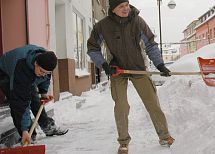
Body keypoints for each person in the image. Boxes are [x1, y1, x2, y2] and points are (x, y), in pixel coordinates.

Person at [87, 0, 174, 153]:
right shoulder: (103, 26)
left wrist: (160, 64)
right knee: (121, 106)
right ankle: (123, 141)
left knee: (152, 103)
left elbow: (150, 44)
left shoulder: (137, 21)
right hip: (117, 70)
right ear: (113, 9)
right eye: (121, 6)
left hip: (138, 67)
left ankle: (164, 135)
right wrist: (104, 65)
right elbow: (93, 47)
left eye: (127, 4)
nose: (125, 8)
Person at [0, 44, 68, 145]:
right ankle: (28, 135)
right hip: (5, 74)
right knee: (16, 102)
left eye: (46, 72)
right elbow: (21, 102)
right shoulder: (22, 68)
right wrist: (24, 129)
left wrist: (43, 92)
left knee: (35, 98)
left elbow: (46, 76)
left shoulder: (46, 61)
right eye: (41, 71)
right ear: (36, 63)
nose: (43, 74)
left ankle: (48, 127)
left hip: (27, 71)